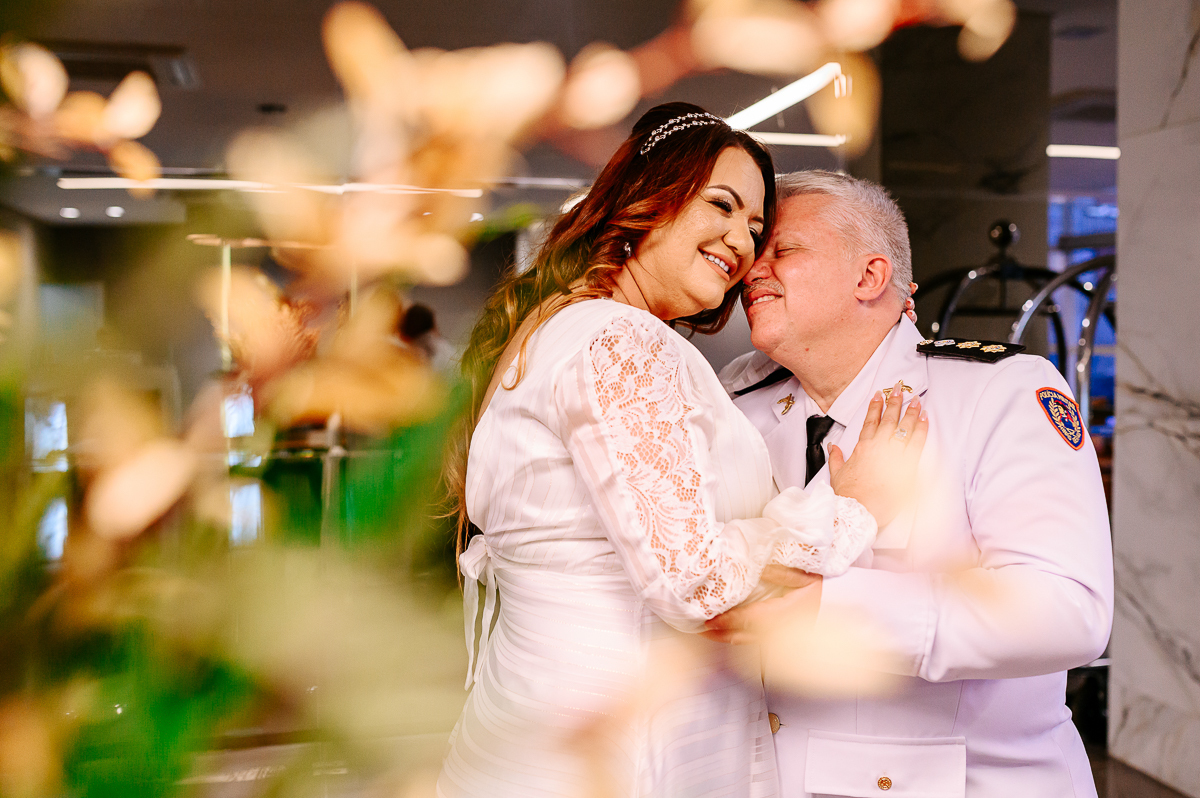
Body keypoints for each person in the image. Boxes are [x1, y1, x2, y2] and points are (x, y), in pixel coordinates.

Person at [436, 107, 928, 798]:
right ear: (645, 202)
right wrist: (849, 507)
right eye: (721, 206)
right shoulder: (618, 340)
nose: (742, 243)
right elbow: (695, 584)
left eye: (758, 230)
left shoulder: (563, 328)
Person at [708, 171, 1114, 798]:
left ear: (869, 277)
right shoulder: (734, 401)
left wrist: (829, 609)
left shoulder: (996, 391)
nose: (751, 269)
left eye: (782, 251)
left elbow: (1069, 610)